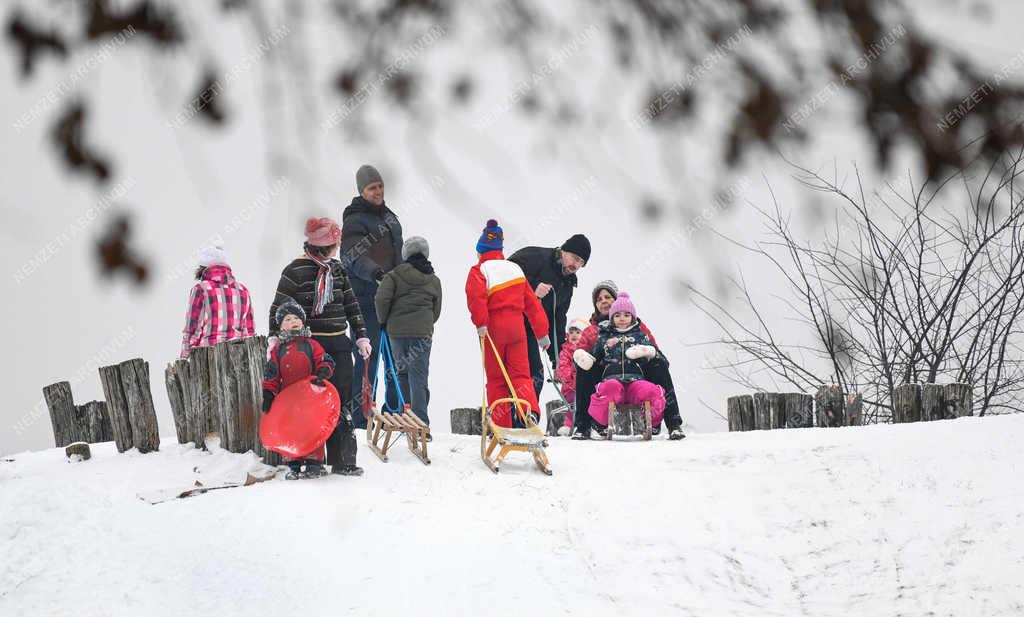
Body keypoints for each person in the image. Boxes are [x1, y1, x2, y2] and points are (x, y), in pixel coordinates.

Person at [269, 217, 371, 476]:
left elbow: (351, 305)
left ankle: (343, 460)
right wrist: (274, 337)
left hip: (339, 344)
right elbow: (278, 305)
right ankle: (311, 459)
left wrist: (361, 336)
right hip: (309, 348)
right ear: (327, 244)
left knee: (341, 404)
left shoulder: (337, 270)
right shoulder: (294, 270)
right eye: (336, 242)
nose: (338, 246)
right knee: (311, 406)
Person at [572, 280, 685, 440]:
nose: (603, 301)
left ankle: (673, 423)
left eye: (608, 297)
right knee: (585, 368)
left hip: (637, 375)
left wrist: (648, 353)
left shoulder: (638, 329)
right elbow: (581, 359)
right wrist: (582, 358)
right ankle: (583, 426)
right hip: (606, 377)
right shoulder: (593, 331)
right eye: (599, 299)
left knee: (658, 364)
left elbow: (660, 357)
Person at [465, 219, 551, 427]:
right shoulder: (515, 269)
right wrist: (542, 333)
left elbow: (475, 299)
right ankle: (528, 412)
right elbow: (532, 304)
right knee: (521, 375)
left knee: (497, 379)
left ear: (480, 251)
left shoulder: (479, 270)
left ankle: (501, 423)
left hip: (494, 328)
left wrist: (481, 324)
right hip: (517, 328)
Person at [340, 164, 403, 429]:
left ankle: (393, 414)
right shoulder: (355, 220)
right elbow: (352, 255)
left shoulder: (390, 217)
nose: (378, 191)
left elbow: (398, 256)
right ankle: (359, 419)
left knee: (396, 360)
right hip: (365, 299)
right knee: (368, 359)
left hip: (392, 299)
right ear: (361, 191)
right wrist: (375, 273)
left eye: (380, 186)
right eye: (372, 188)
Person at [508, 233, 591, 398]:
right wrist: (532, 286)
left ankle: (527, 417)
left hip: (529, 330)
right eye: (574, 258)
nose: (576, 264)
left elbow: (557, 323)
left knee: (535, 374)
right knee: (512, 374)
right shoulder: (537, 256)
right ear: (563, 251)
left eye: (581, 262)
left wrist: (557, 361)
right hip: (507, 322)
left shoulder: (567, 286)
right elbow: (504, 271)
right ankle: (505, 415)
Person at [262, 299, 335, 480]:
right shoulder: (278, 350)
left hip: (310, 397)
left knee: (311, 427)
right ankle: (293, 464)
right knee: (291, 428)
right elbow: (272, 373)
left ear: (302, 321)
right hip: (288, 399)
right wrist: (268, 393)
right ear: (281, 327)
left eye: (295, 317)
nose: (292, 321)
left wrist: (323, 370)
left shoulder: (311, 345)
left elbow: (324, 359)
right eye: (287, 319)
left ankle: (314, 463)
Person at [374, 236, 442, 429]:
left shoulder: (393, 276)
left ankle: (405, 417)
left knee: (401, 373)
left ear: (405, 254)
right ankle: (421, 423)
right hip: (422, 334)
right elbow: (436, 310)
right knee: (419, 376)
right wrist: (426, 323)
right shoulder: (433, 279)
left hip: (397, 332)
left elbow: (381, 299)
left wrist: (383, 320)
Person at [180, 240, 255, 358]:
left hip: (208, 360)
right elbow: (249, 334)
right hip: (238, 360)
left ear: (202, 267)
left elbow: (192, 331)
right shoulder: (243, 291)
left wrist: (184, 360)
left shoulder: (201, 289)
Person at [555, 317, 589, 436]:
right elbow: (563, 367)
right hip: (571, 387)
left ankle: (588, 424)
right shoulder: (565, 351)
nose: (574, 335)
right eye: (571, 332)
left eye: (578, 332)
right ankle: (569, 424)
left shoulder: (587, 350)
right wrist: (572, 375)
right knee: (574, 402)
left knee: (588, 400)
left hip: (584, 386)